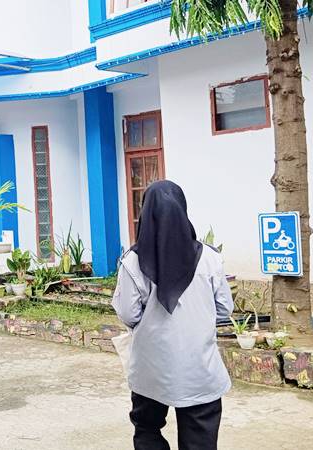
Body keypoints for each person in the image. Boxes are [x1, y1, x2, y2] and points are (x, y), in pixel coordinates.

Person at [112, 180, 234, 450]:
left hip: (151, 369)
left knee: (147, 430)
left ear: (145, 213)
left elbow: (128, 313)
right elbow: (224, 308)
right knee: (200, 438)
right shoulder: (210, 258)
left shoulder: (132, 262)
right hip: (199, 368)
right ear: (183, 210)